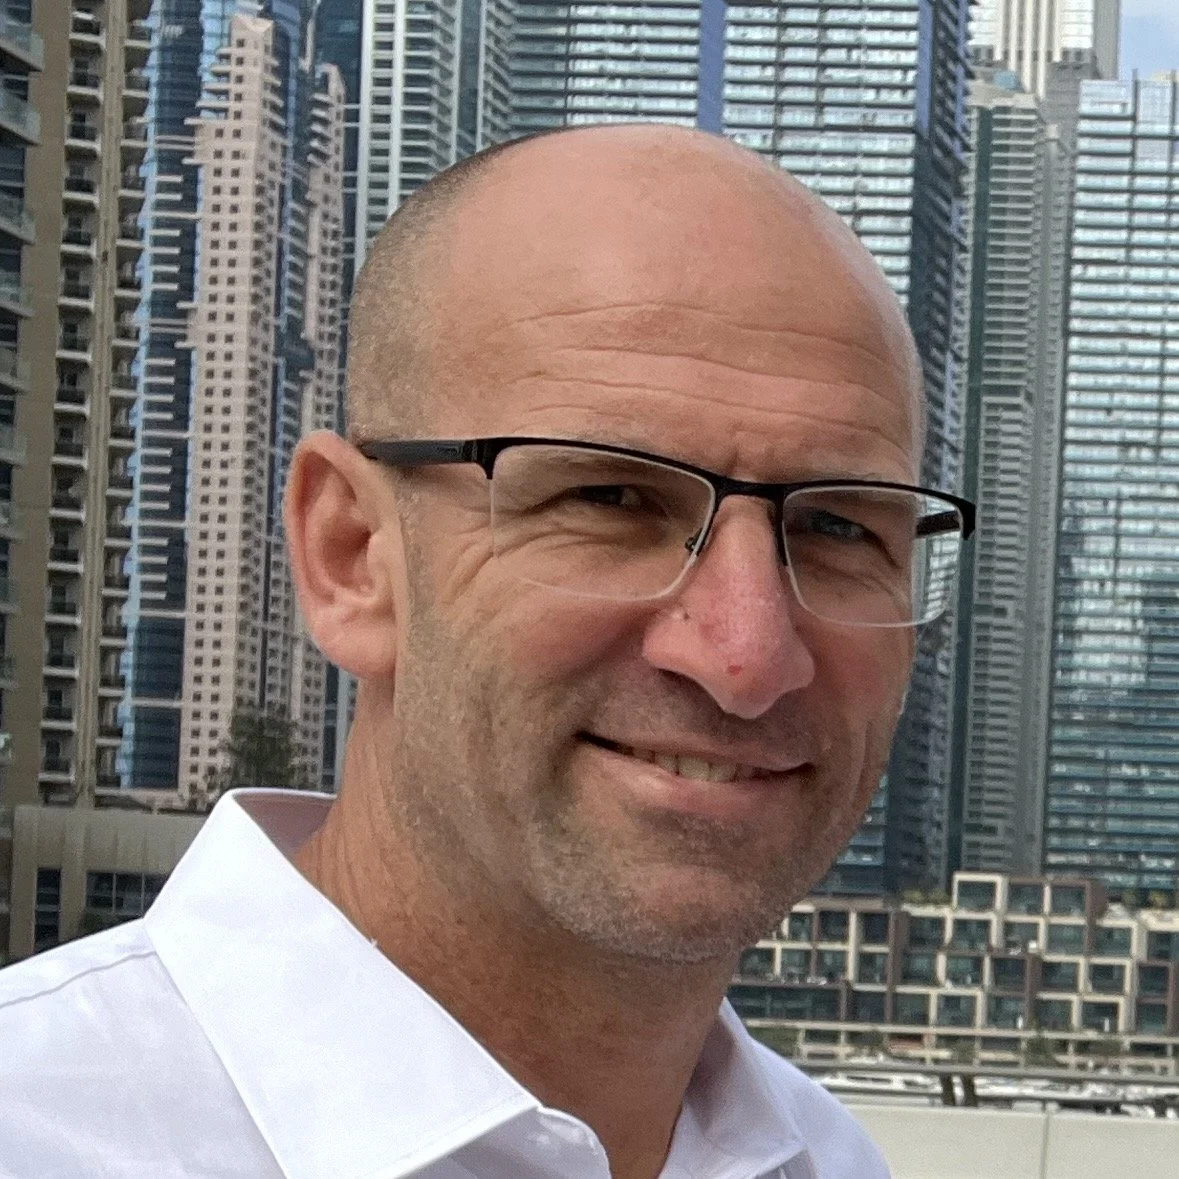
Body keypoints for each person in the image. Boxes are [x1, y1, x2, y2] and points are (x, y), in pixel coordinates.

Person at [0, 125, 973, 1178]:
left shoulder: (830, 1162)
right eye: (608, 498)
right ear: (353, 558)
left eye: (839, 528)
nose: (747, 654)